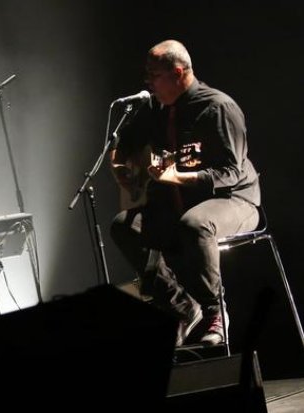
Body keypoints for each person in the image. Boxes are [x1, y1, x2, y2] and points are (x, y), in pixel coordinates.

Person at [110, 40, 261, 347]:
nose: (148, 82)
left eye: (153, 75)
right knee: (125, 226)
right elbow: (124, 144)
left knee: (195, 225)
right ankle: (179, 308)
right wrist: (120, 166)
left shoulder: (218, 108)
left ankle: (215, 311)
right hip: (181, 203)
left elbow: (230, 173)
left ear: (178, 73)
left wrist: (178, 176)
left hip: (235, 200)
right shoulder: (155, 108)